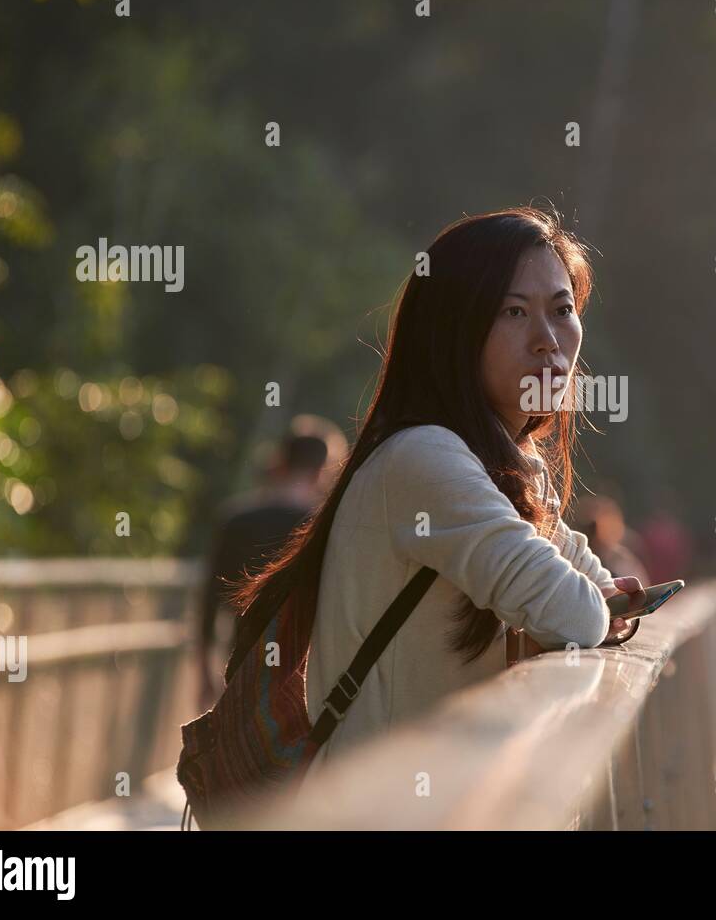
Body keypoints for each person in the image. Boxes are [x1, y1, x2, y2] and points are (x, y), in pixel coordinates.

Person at [228, 205, 643, 765]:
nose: (548, 340)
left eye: (562, 309)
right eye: (514, 312)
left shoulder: (506, 464)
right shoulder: (425, 458)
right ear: (454, 333)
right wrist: (600, 604)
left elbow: (601, 590)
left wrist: (607, 600)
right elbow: (578, 613)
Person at [197, 422, 335, 706]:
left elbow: (210, 600)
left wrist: (202, 672)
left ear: (280, 462)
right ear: (322, 471)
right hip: (305, 673)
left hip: (241, 661)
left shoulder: (237, 520)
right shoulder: (324, 528)